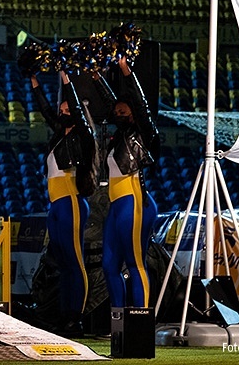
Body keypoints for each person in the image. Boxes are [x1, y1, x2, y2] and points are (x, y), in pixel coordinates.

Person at [31, 70, 96, 336]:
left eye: (68, 108)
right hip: (56, 205)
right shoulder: (59, 135)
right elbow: (46, 110)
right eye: (62, 109)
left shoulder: (83, 136)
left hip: (71, 201)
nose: (63, 111)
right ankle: (63, 315)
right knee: (63, 263)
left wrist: (66, 79)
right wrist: (34, 82)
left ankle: (75, 317)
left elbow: (77, 111)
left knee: (75, 260)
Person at [99, 55, 158, 309]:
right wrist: (96, 78)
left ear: (133, 114)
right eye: (117, 113)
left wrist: (125, 70)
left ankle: (141, 318)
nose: (118, 114)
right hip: (117, 205)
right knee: (109, 265)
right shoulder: (118, 138)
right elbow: (110, 102)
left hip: (134, 201)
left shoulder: (143, 132)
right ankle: (118, 319)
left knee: (135, 262)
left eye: (123, 112)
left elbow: (141, 104)